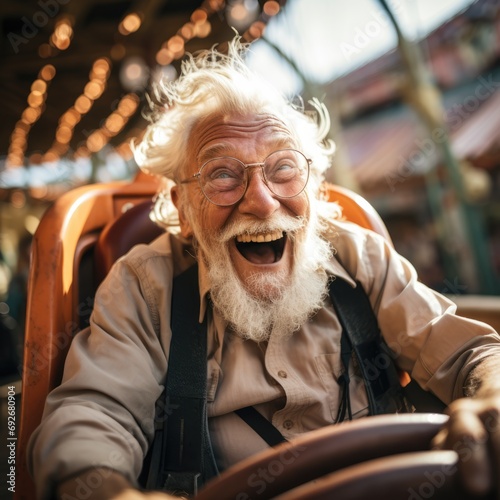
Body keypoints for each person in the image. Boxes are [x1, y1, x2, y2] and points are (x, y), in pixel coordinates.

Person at [29, 37, 500, 500]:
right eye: (223, 175)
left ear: (314, 188)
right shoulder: (144, 285)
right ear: (185, 210)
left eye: (283, 169)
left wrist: (493, 396)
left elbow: (467, 355)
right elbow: (95, 415)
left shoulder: (360, 256)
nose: (260, 201)